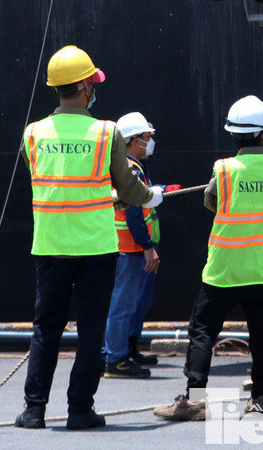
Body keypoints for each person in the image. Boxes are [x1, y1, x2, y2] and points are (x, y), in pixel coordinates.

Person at [14, 46, 164, 431]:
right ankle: (80, 409)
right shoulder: (105, 131)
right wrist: (152, 196)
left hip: (49, 247)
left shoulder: (33, 133)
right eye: (92, 83)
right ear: (83, 86)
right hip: (96, 248)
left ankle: (34, 410)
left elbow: (50, 178)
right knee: (91, 330)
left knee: (46, 329)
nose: (94, 90)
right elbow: (127, 188)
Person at [154, 95, 263, 423]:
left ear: (233, 134)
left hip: (223, 270)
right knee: (262, 335)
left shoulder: (223, 169)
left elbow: (210, 201)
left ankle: (196, 400)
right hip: (262, 269)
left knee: (203, 330)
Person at [103, 111, 163, 379]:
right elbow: (135, 212)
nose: (150, 142)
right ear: (133, 140)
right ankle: (115, 359)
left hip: (126, 247)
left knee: (123, 303)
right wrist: (147, 246)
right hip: (129, 248)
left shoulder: (127, 167)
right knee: (122, 305)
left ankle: (116, 352)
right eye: (147, 138)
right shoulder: (131, 169)